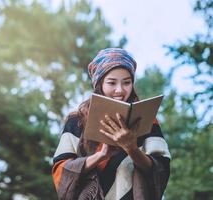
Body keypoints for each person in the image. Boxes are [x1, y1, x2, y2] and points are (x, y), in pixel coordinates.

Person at [52, 48, 171, 200]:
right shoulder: (77, 121)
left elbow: (161, 170)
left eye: (127, 82)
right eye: (111, 83)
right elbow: (61, 173)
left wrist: (131, 148)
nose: (119, 90)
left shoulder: (147, 119)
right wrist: (101, 155)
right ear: (99, 83)